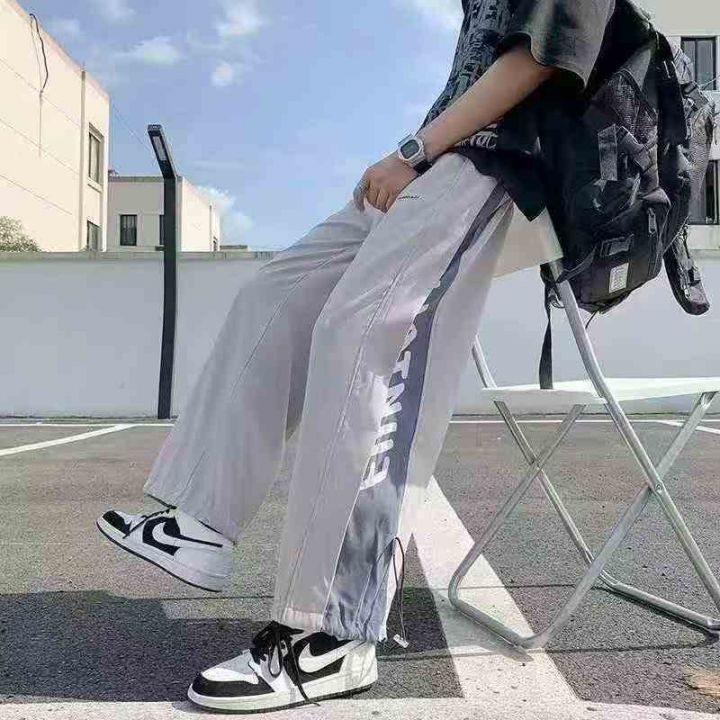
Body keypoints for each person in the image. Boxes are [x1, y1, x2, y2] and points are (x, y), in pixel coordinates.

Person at [98, 0, 615, 712]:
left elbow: (542, 55)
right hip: (441, 158)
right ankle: (200, 523)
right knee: (274, 296)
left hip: (504, 164)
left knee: (362, 334)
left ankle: (335, 634)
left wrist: (411, 152)